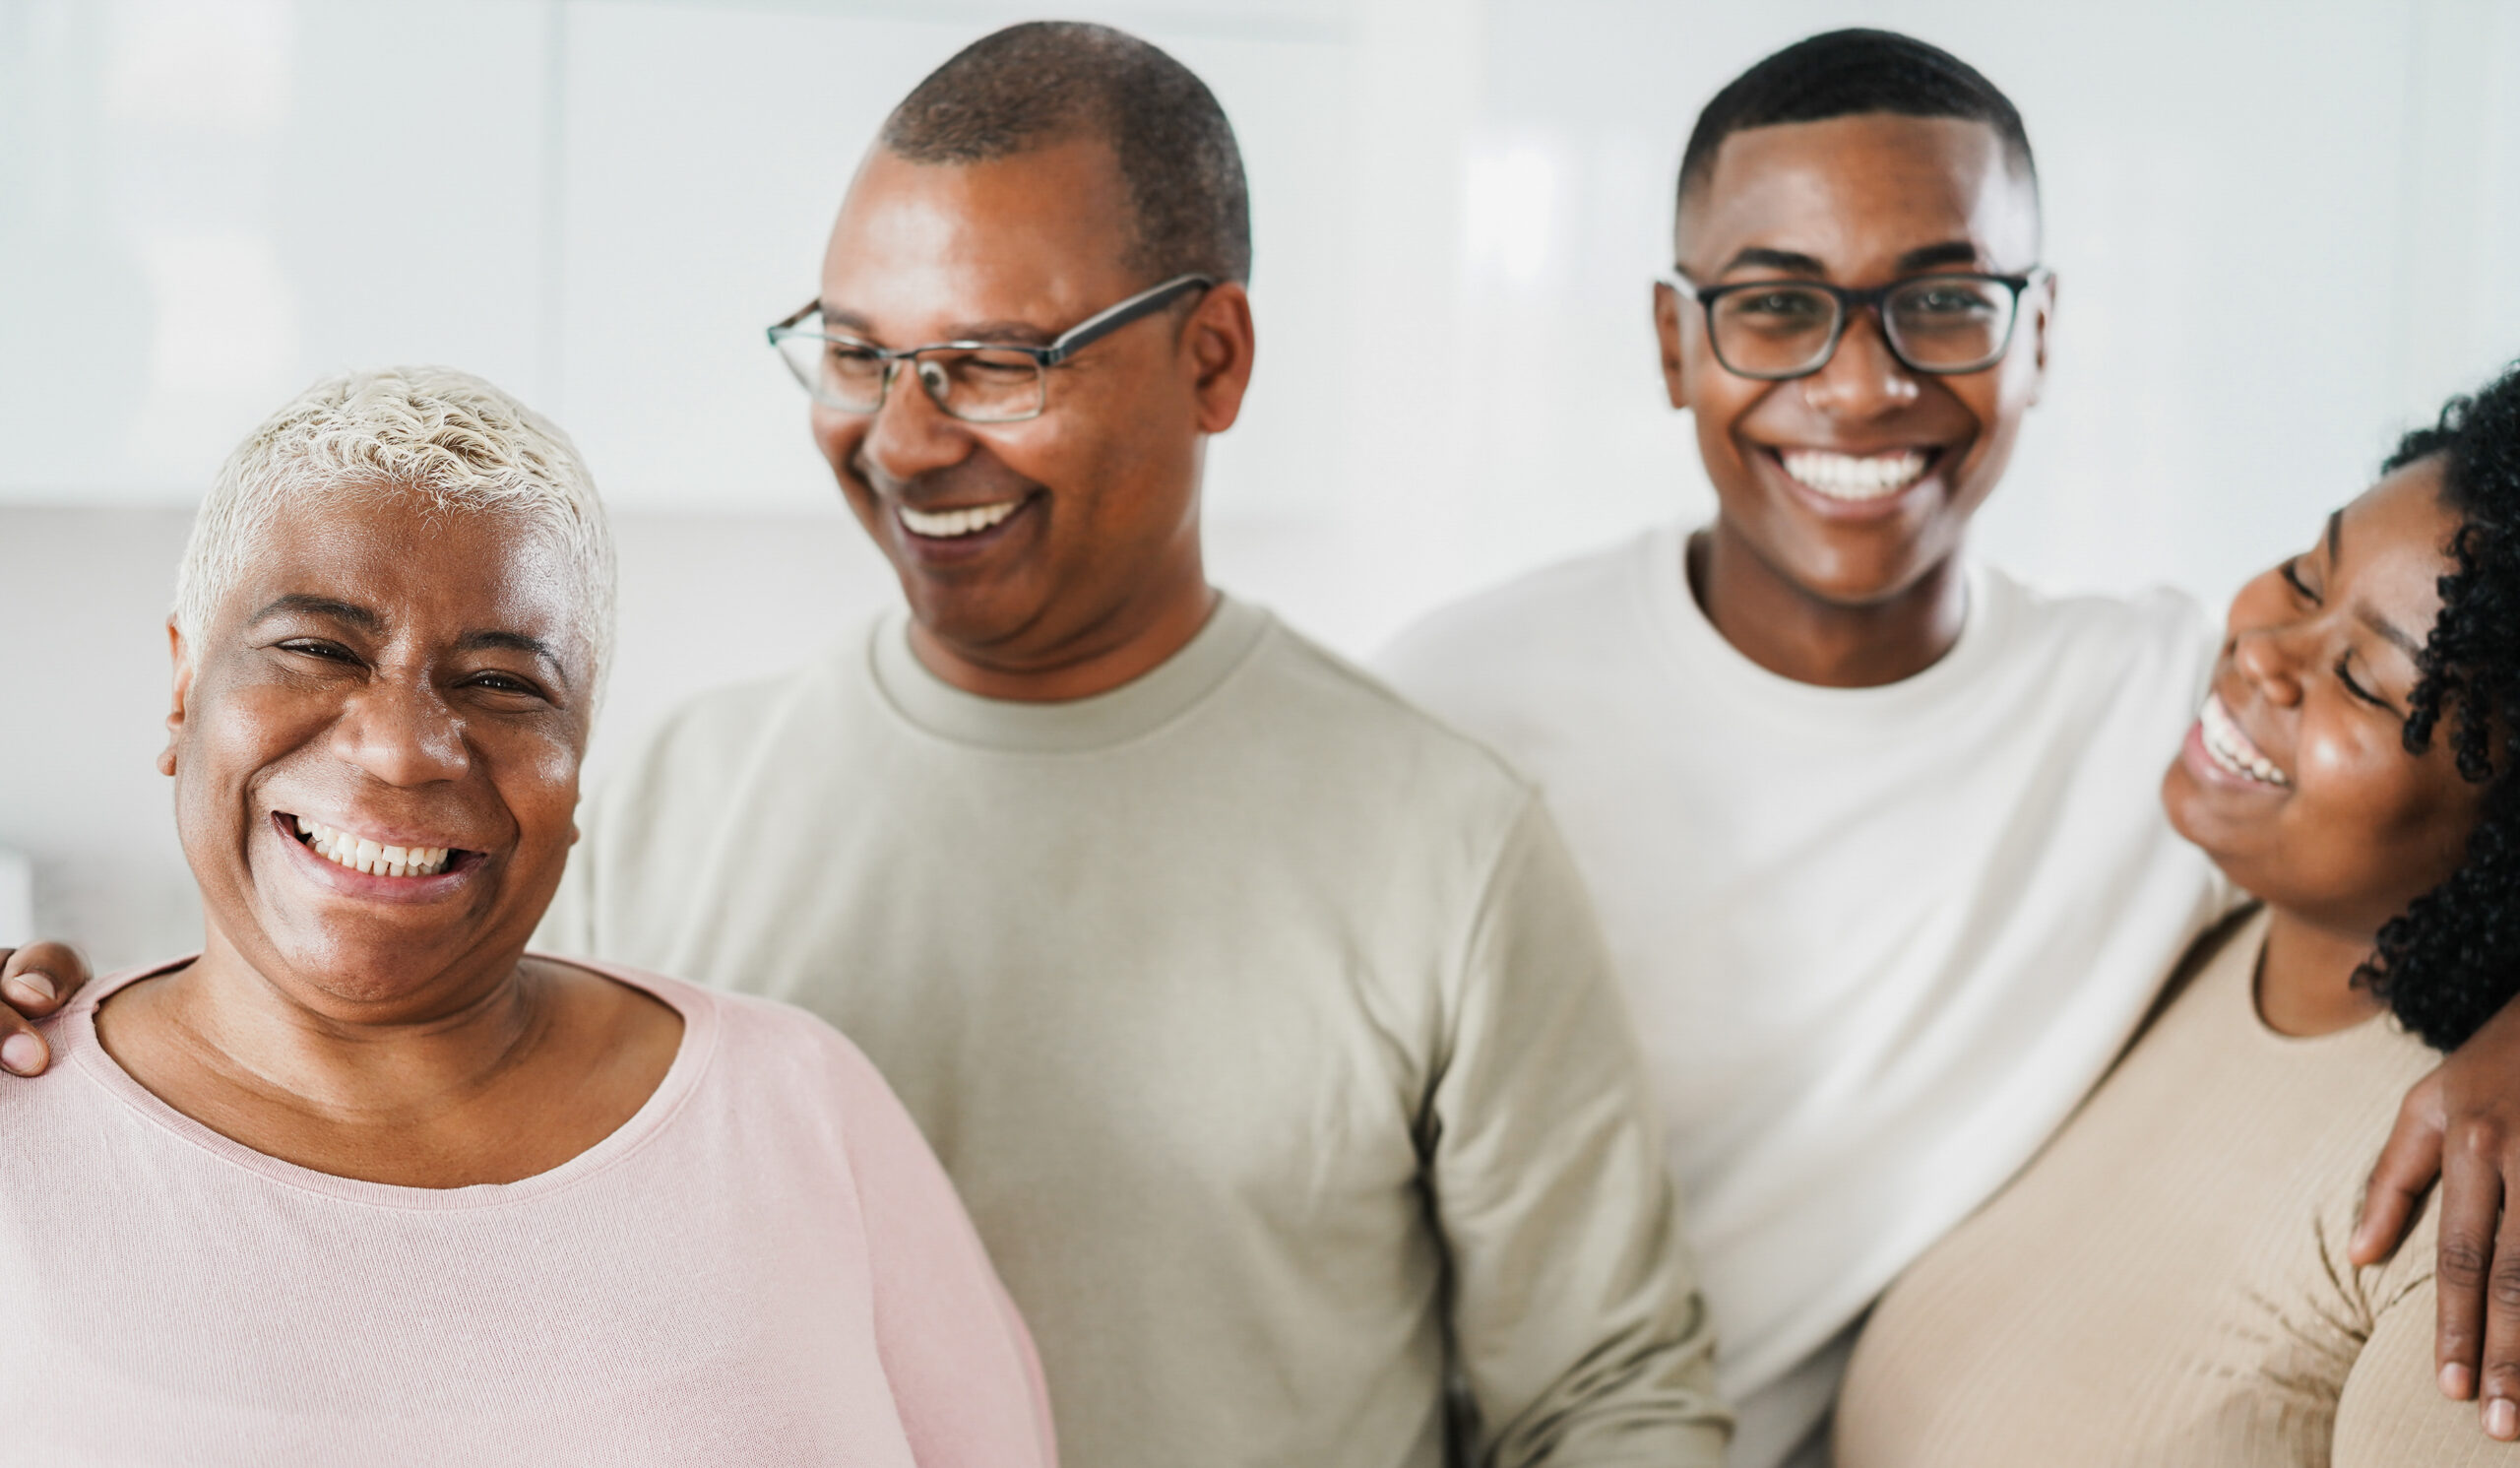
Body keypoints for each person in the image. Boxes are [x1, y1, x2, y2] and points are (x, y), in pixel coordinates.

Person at [0, 24, 1729, 1468]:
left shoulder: (1442, 842)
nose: (904, 437)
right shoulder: (677, 790)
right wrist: (59, 1055)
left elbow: (1610, 1403)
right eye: (856, 353)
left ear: (1213, 355)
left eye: (992, 361)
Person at [1377, 29, 2520, 1466]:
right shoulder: (1458, 702)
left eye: (1946, 299)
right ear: (1675, 344)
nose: (1862, 386)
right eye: (1779, 306)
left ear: (2038, 334)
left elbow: (2463, 794)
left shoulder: (2176, 716)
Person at [0, 366, 1055, 1465]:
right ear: (183, 689)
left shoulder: (798, 1110)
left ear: (580, 750)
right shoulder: (17, 1130)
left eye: (504, 682)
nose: (404, 746)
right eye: (319, 649)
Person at [1832, 365, 2520, 1467]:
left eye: (2364, 681)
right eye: (2304, 577)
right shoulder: (2171, 933)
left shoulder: (2478, 1207)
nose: (2262, 652)